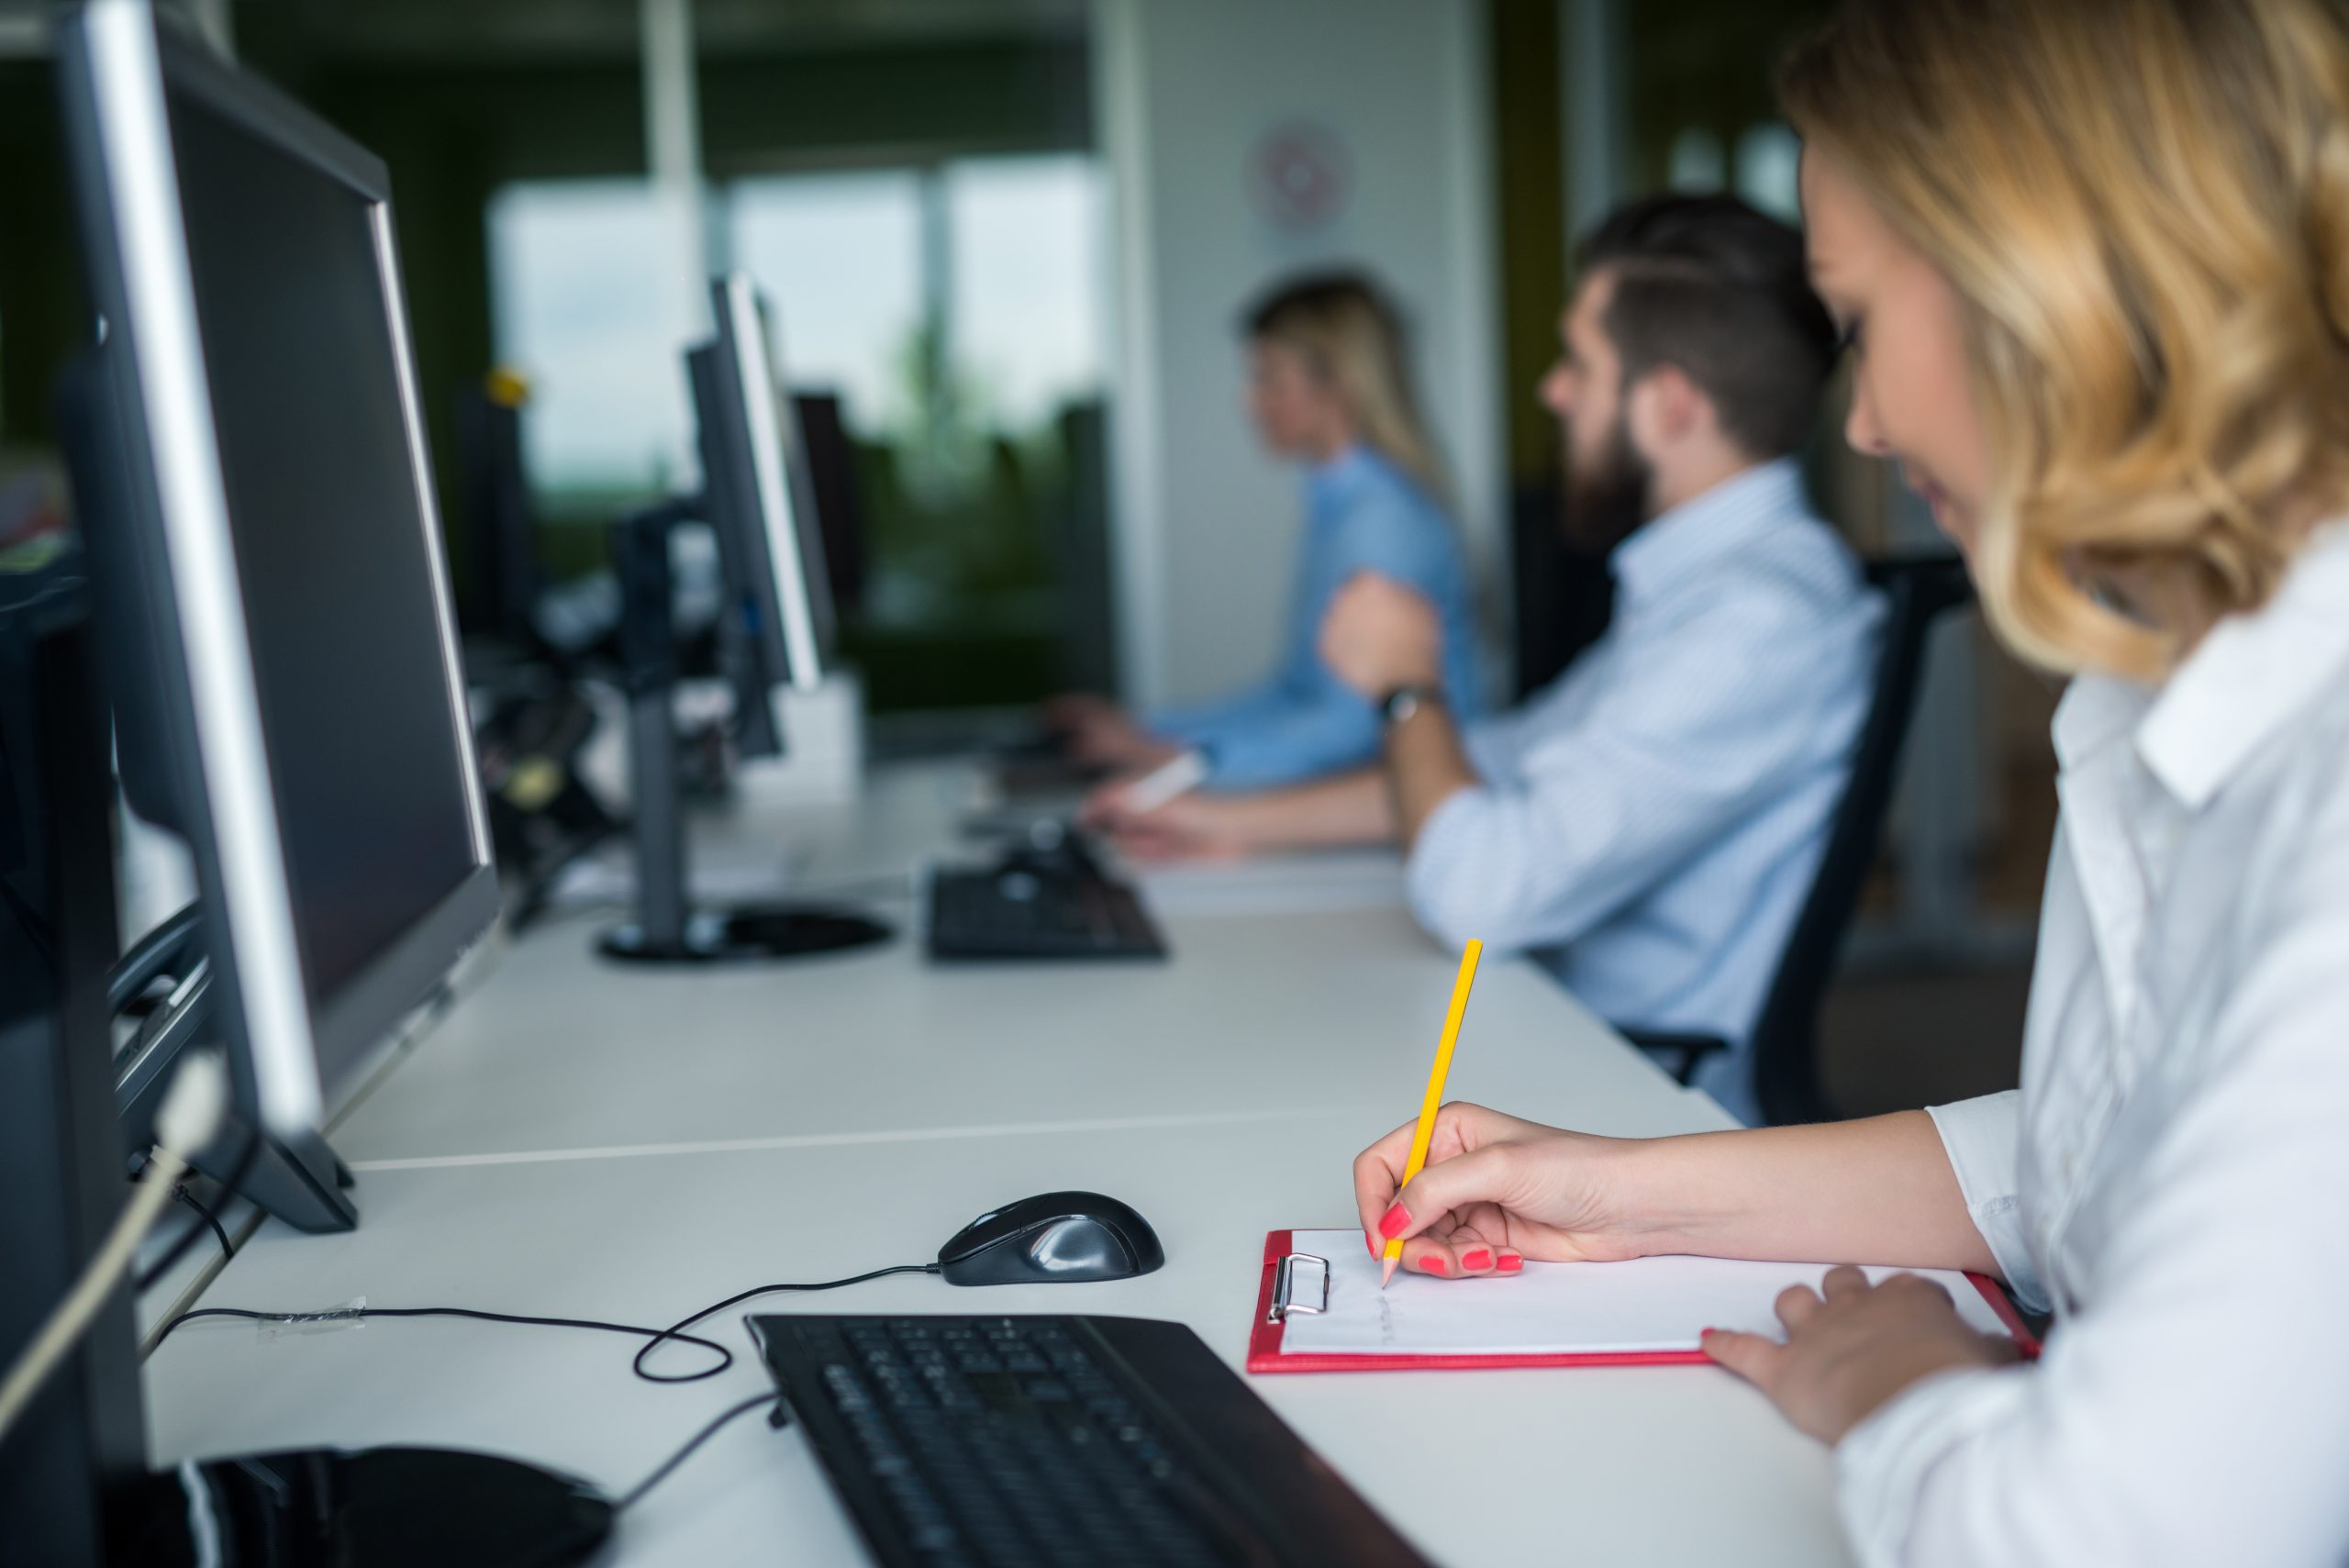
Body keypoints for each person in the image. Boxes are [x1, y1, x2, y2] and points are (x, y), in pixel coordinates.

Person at [1352, 0, 2349, 1562]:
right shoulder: (2154, 696)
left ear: (2051, 289)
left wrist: (1905, 1379)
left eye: (1864, 320)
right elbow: (2095, 1150)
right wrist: (1607, 1188)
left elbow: (2093, 1531)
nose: (1866, 421)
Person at [1093, 195, 1879, 1124]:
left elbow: (1482, 892)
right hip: (1557, 1035)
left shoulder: (1753, 625)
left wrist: (1408, 686)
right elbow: (1502, 763)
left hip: (1627, 1094)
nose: (1552, 391)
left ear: (1670, 405)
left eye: (1578, 364)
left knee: (1221, 1061)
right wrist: (1233, 825)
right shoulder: (1709, 591)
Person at [1045, 272, 1483, 791]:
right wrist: (1145, 728)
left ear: (1337, 382)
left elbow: (1350, 728)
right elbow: (1295, 695)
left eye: (1268, 376)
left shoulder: (1382, 521)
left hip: (1407, 798)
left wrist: (1168, 758)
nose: (1249, 402)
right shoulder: (1339, 504)